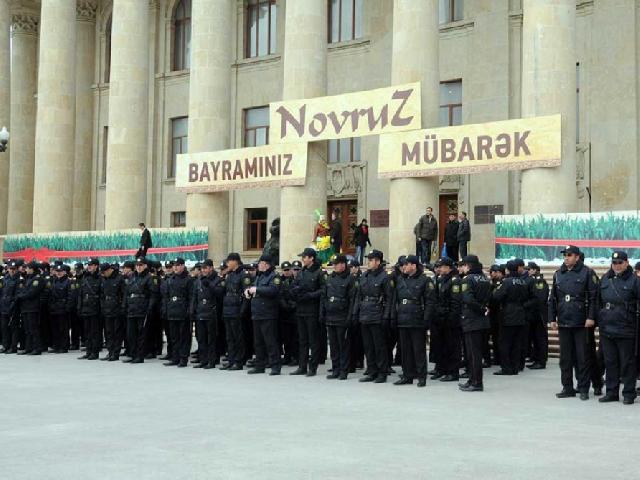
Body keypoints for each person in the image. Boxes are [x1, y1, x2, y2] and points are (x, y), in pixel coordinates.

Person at [549, 245, 598, 400]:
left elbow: (593, 298)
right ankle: (567, 387)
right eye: (565, 255)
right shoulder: (558, 274)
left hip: (581, 323)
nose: (566, 257)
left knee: (582, 357)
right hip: (564, 321)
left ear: (577, 257)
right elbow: (553, 299)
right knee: (565, 358)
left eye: (569, 255)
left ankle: (583, 388)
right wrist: (552, 318)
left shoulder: (587, 273)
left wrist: (591, 317)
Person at [596, 251, 638, 405]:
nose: (617, 266)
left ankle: (629, 393)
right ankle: (612, 392)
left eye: (620, 263)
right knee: (610, 361)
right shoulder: (605, 279)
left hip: (626, 327)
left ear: (626, 263)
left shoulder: (635, 281)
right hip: (607, 326)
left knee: (627, 363)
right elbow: (598, 301)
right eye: (614, 263)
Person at [392, 255, 435, 387]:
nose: (404, 267)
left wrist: (426, 318)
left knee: (419, 350)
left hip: (417, 318)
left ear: (414, 266)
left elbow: (429, 301)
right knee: (405, 350)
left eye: (407, 264)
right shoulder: (400, 280)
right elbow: (396, 300)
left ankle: (421, 376)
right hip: (403, 318)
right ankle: (407, 375)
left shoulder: (424, 280)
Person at [353, 249, 393, 383]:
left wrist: (386, 316)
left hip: (377, 314)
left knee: (379, 346)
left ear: (378, 261)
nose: (369, 262)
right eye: (368, 260)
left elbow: (389, 299)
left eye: (371, 260)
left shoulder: (384, 277)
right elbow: (359, 296)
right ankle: (371, 371)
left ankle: (382, 372)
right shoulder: (364, 276)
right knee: (368, 346)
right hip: (365, 313)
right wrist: (355, 313)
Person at [458, 255, 491, 392]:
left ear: (468, 266)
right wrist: (484, 308)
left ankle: (476, 382)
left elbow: (468, 299)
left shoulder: (468, 279)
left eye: (463, 265)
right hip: (482, 320)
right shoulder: (484, 278)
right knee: (475, 352)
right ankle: (472, 379)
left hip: (472, 319)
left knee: (473, 354)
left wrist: (480, 308)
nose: (462, 268)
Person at [321, 254, 356, 380]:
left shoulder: (350, 279)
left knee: (343, 345)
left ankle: (343, 370)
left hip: (342, 315)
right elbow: (324, 296)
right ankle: (335, 369)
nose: (334, 266)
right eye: (334, 264)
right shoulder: (330, 278)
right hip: (331, 315)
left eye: (336, 264)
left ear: (343, 264)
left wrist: (350, 316)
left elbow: (352, 299)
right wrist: (323, 313)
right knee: (334, 345)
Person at [245, 254, 282, 375]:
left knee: (270, 341)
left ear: (266, 264)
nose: (258, 266)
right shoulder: (260, 277)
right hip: (257, 313)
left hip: (268, 314)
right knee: (258, 342)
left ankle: (275, 366)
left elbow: (273, 290)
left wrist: (257, 290)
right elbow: (254, 288)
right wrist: (248, 291)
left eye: (260, 263)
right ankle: (259, 365)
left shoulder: (274, 276)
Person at [290, 247, 324, 377]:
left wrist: (310, 295)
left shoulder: (319, 273)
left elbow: (323, 290)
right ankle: (302, 366)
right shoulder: (301, 272)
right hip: (301, 310)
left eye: (304, 257)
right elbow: (294, 286)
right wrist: (295, 291)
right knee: (302, 340)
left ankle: (312, 367)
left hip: (312, 310)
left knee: (313, 340)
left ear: (311, 258)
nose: (302, 259)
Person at [492, 260, 528, 376]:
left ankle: (506, 367)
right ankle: (515, 366)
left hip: (508, 314)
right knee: (517, 343)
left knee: (504, 342)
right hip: (520, 313)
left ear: (507, 270)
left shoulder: (506, 282)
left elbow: (497, 296)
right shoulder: (522, 281)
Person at [220, 253, 250, 371]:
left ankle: (239, 361)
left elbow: (247, 294)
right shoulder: (230, 275)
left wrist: (242, 310)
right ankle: (231, 360)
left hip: (237, 309)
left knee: (238, 337)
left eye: (229, 261)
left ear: (235, 261)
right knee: (230, 337)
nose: (227, 264)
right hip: (228, 309)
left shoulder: (244, 275)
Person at [123, 258, 156, 364]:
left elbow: (153, 295)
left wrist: (150, 308)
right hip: (132, 308)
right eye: (137, 265)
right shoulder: (132, 277)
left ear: (145, 266)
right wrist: (125, 305)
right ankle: (133, 354)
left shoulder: (149, 278)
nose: (138, 267)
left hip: (142, 309)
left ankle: (140, 356)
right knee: (130, 334)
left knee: (141, 334)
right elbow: (127, 293)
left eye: (141, 265)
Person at [192, 259, 224, 369]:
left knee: (212, 338)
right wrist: (193, 309)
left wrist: (210, 285)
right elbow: (195, 296)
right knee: (201, 338)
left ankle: (212, 360)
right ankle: (203, 359)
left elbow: (220, 294)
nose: (204, 270)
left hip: (212, 312)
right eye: (202, 268)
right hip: (201, 311)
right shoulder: (199, 280)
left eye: (206, 268)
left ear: (211, 268)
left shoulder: (218, 279)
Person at [162, 258, 193, 368]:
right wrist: (165, 309)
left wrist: (190, 310)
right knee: (173, 336)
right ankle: (175, 358)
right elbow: (167, 297)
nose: (175, 267)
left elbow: (191, 297)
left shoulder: (188, 279)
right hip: (172, 311)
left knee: (183, 336)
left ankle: (183, 358)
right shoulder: (170, 279)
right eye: (174, 265)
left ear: (183, 266)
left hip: (183, 311)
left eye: (178, 265)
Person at [17, 261, 44, 355]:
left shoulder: (38, 279)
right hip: (25, 307)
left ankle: (37, 348)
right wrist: (21, 295)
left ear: (32, 269)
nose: (26, 269)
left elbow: (32, 293)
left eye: (27, 268)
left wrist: (20, 296)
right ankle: (29, 348)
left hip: (33, 307)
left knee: (34, 328)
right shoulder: (27, 278)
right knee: (27, 329)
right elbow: (23, 290)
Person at [76, 258, 102, 360]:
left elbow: (102, 294)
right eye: (88, 265)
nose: (89, 267)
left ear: (96, 266)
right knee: (87, 331)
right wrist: (79, 307)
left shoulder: (100, 278)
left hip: (95, 309)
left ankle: (94, 353)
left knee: (94, 332)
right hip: (85, 308)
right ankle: (88, 351)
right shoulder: (85, 278)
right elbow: (80, 294)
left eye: (91, 265)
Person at [526, 262, 549, 370]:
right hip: (534, 314)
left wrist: (527, 304)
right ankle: (536, 358)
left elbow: (540, 298)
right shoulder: (532, 280)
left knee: (540, 338)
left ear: (535, 270)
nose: (528, 271)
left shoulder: (539, 281)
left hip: (539, 314)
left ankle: (541, 361)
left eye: (530, 269)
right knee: (535, 337)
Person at [100, 263, 125, 361]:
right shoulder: (104, 279)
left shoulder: (119, 279)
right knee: (108, 332)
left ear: (109, 270)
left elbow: (124, 294)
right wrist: (103, 306)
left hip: (117, 309)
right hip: (107, 308)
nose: (103, 274)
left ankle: (116, 353)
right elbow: (102, 294)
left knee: (117, 332)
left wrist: (122, 307)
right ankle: (110, 351)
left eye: (104, 272)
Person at [48, 265, 72, 354]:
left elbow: (70, 296)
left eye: (60, 271)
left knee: (63, 328)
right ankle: (56, 345)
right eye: (57, 271)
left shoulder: (68, 282)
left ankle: (64, 346)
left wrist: (67, 307)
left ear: (64, 272)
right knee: (55, 328)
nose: (58, 272)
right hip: (54, 308)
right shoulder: (54, 281)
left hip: (63, 308)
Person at [278, 261, 298, 366]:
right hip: (284, 313)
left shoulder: (295, 280)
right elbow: (279, 295)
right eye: (285, 270)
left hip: (294, 313)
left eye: (288, 269)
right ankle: (287, 356)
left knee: (294, 337)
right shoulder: (279, 280)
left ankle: (295, 357)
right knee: (286, 337)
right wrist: (284, 305)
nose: (287, 272)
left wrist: (293, 305)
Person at [0, 261, 21, 354]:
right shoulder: (5, 278)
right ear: (7, 268)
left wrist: (12, 305)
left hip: (13, 307)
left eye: (14, 269)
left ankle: (13, 347)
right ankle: (5, 346)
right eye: (10, 269)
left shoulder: (19, 279)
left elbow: (17, 295)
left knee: (13, 328)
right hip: (4, 306)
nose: (12, 271)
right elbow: (3, 292)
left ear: (16, 269)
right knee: (4, 327)